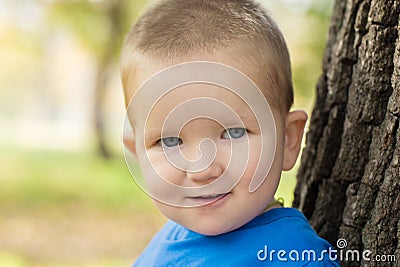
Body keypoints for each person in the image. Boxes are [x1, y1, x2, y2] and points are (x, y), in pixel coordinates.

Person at [120, 0, 340, 266]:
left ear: (287, 141)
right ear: (137, 153)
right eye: (169, 141)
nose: (201, 170)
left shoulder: (292, 257)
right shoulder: (167, 241)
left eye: (234, 133)